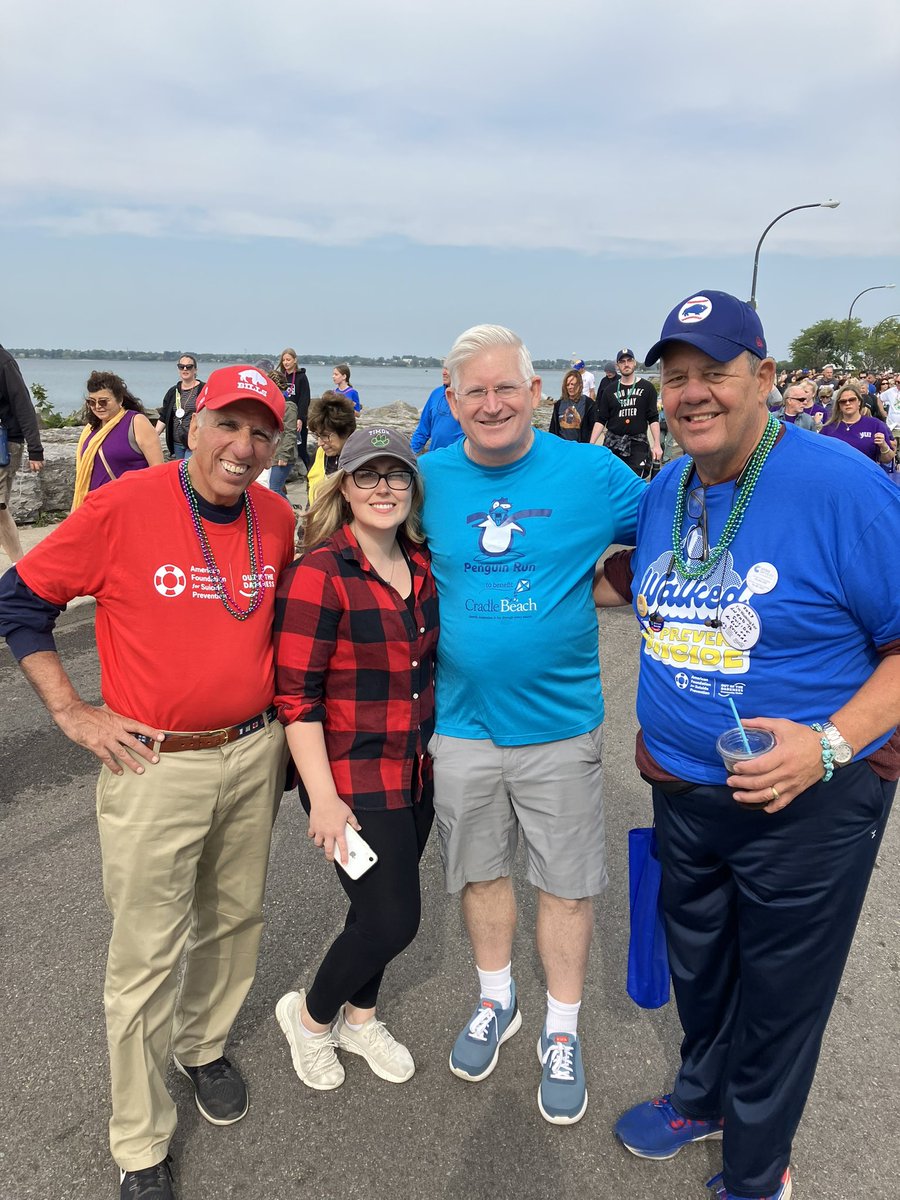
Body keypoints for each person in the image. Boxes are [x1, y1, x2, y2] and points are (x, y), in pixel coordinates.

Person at [593, 290, 899, 1200]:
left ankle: (760, 1170)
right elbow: (649, 589)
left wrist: (830, 747)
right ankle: (702, 1095)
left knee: (779, 993)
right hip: (685, 788)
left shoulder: (840, 485)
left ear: (763, 378)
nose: (691, 394)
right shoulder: (669, 485)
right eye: (676, 377)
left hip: (807, 801)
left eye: (713, 374)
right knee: (702, 963)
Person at [0, 365, 295, 1200]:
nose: (242, 448)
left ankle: (202, 1046)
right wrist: (73, 712)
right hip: (153, 762)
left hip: (251, 752)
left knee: (236, 918)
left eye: (260, 432)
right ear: (193, 424)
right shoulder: (124, 505)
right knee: (145, 956)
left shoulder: (275, 519)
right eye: (227, 426)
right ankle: (138, 1139)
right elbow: (18, 602)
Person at [418, 324, 645, 1126]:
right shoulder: (427, 479)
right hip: (463, 724)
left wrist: (615, 584)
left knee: (566, 883)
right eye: (473, 391)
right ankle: (495, 999)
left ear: (537, 392)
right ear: (451, 401)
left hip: (560, 721)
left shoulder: (589, 471)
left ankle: (560, 1027)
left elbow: (671, 531)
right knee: (479, 871)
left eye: (505, 387)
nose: (491, 404)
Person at [273, 427, 438, 1090]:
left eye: (396, 475)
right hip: (349, 778)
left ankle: (360, 1015)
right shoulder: (321, 573)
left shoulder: (421, 565)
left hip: (414, 768)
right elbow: (296, 695)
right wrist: (324, 797)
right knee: (395, 916)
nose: (383, 488)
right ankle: (310, 1020)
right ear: (343, 485)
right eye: (368, 475)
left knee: (373, 914)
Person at [72, 371, 163, 509]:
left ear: (119, 400)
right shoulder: (91, 429)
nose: (97, 407)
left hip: (128, 508)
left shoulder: (136, 422)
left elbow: (158, 470)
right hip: (95, 508)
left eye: (103, 401)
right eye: (91, 402)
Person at [0, 344, 44, 563]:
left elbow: (23, 405)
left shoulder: (4, 362)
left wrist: (35, 449)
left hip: (4, 444)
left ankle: (20, 565)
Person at [594, 347, 662, 476]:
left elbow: (653, 418)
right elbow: (601, 419)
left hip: (637, 443)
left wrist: (657, 444)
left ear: (634, 363)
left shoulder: (647, 388)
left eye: (629, 360)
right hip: (613, 443)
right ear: (617, 365)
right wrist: (591, 444)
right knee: (612, 480)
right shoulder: (609, 390)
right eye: (622, 361)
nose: (626, 364)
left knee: (633, 481)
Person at [820, 380, 896, 464]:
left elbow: (887, 459)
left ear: (859, 402)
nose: (847, 403)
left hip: (866, 475)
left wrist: (884, 446)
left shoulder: (875, 425)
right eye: (843, 401)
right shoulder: (828, 427)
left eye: (852, 399)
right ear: (839, 405)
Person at [306, 392, 357, 505]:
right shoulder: (319, 455)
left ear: (345, 431)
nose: (319, 443)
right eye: (317, 436)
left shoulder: (359, 461)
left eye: (325, 436)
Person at [156, 355, 206, 460]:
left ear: (195, 369)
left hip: (194, 442)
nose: (185, 369)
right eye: (181, 366)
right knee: (180, 473)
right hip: (176, 443)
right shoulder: (173, 392)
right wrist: (154, 435)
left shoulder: (203, 390)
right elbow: (164, 416)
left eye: (189, 366)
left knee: (188, 471)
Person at [410, 367, 463, 453]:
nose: (444, 373)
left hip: (461, 460)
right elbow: (422, 430)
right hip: (436, 457)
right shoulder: (436, 394)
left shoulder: (469, 397)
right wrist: (410, 453)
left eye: (448, 369)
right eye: (444, 368)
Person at [278, 347, 311, 471]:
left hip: (297, 417)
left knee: (301, 450)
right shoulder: (281, 376)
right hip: (283, 416)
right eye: (284, 360)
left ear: (295, 360)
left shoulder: (301, 377)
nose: (286, 362)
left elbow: (304, 399)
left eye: (288, 359)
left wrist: (300, 418)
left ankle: (309, 473)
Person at [547, 368, 600, 442]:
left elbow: (594, 428)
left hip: (580, 446)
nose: (570, 387)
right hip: (562, 446)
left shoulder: (589, 404)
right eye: (567, 384)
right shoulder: (558, 405)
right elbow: (553, 429)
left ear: (579, 385)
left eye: (573, 384)